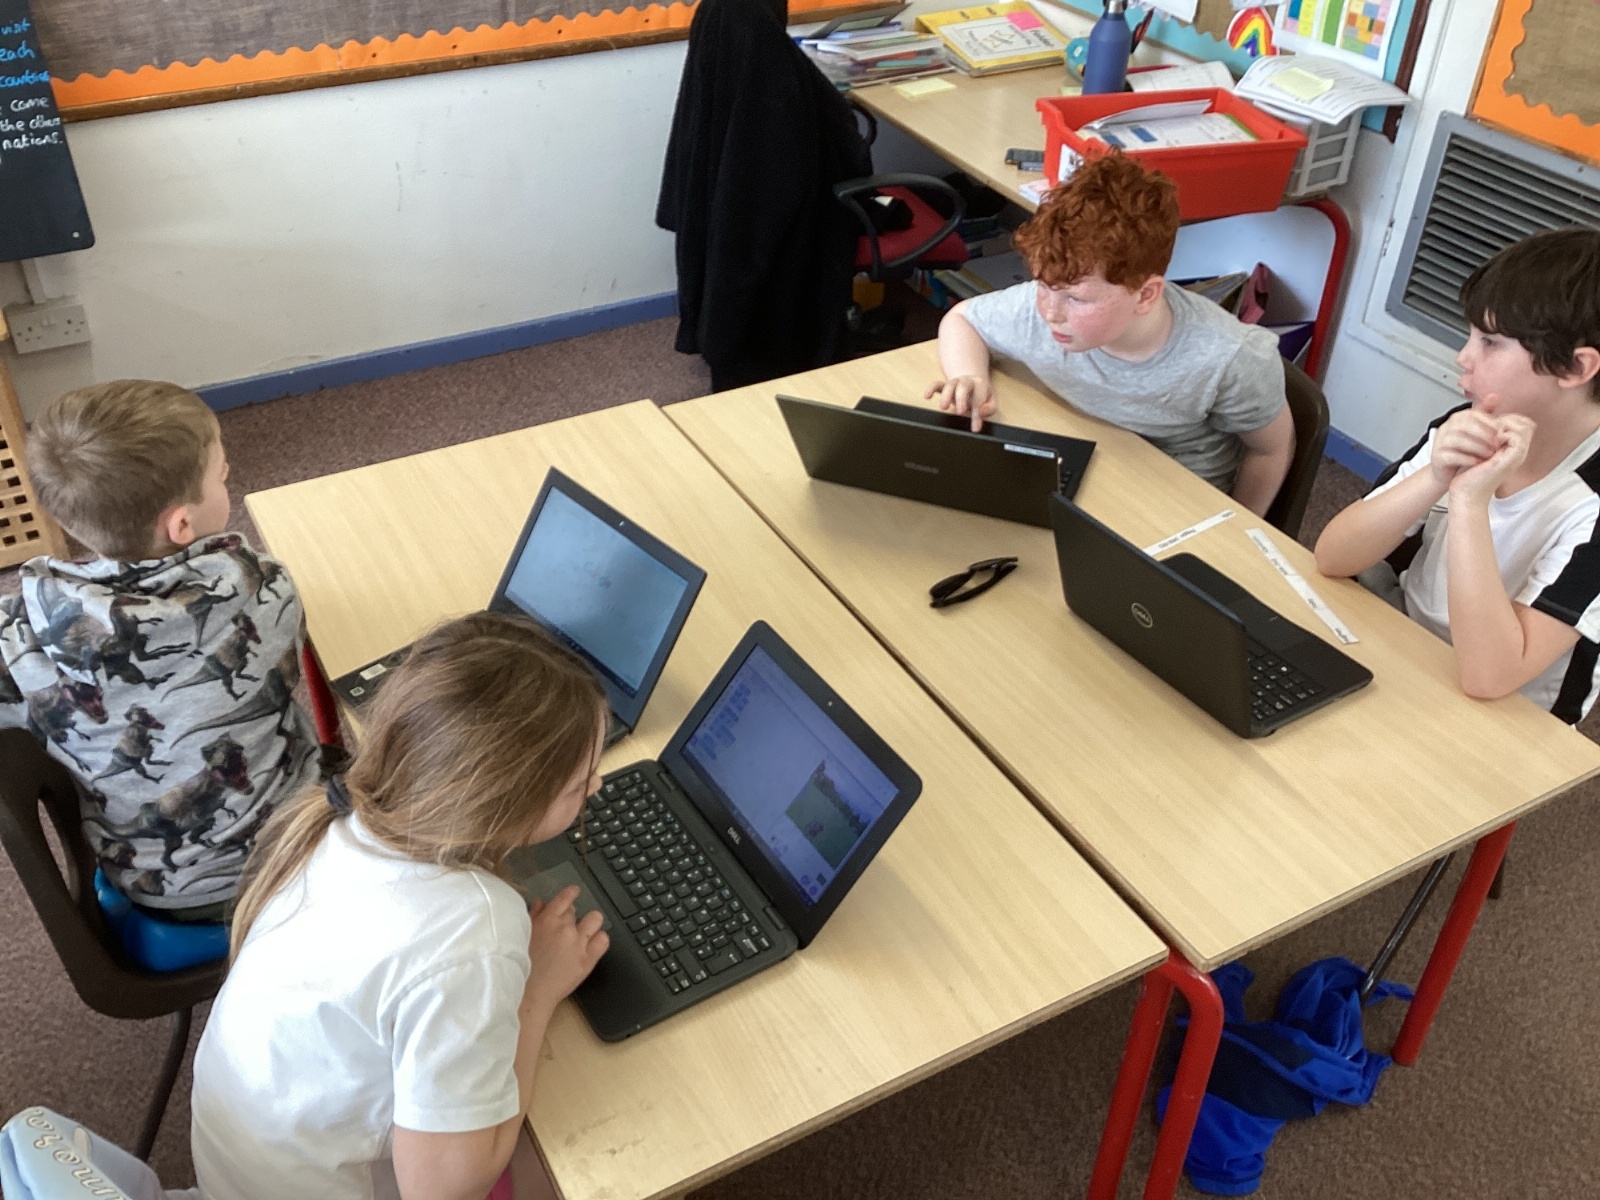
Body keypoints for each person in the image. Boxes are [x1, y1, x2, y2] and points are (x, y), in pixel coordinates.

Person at [190, 611, 611, 1200]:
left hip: (233, 1174)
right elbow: (444, 1191)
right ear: (507, 800)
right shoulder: (475, 928)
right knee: (565, 1164)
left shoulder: (343, 821)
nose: (596, 787)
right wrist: (536, 992)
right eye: (579, 784)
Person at [0, 380, 318, 918]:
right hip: (299, 854)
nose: (227, 475)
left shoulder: (18, 635)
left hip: (158, 888)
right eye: (220, 474)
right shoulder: (266, 587)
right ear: (182, 524)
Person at [1314, 228, 1600, 721]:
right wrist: (1433, 477)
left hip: (1509, 712)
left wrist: (1468, 501)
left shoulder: (1589, 506)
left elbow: (1490, 677)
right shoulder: (1467, 425)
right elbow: (1333, 556)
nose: (1463, 357)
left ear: (1575, 369)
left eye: (1490, 342)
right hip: (1408, 643)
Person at [926, 152, 1295, 516]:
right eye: (1042, 285)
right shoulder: (1040, 306)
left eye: (1076, 299)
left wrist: (1240, 528)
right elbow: (962, 319)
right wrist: (970, 375)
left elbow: (1271, 449)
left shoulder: (1230, 357)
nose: (1050, 312)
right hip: (1093, 467)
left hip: (1172, 503)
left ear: (1145, 295)